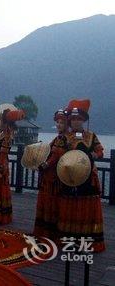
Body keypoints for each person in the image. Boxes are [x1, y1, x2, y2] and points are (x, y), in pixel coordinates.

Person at [58, 99, 105, 252]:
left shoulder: (91, 136)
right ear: (70, 121)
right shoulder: (65, 137)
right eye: (73, 119)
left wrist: (95, 155)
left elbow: (100, 151)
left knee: (86, 207)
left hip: (88, 176)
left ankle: (87, 242)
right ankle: (71, 241)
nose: (76, 122)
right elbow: (60, 155)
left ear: (84, 120)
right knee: (71, 206)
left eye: (79, 119)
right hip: (70, 176)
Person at [33, 109, 69, 240]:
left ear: (67, 124)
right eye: (58, 122)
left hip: (54, 177)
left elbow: (57, 155)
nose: (59, 124)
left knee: (51, 203)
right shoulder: (58, 138)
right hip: (50, 176)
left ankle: (49, 233)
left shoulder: (63, 139)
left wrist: (45, 164)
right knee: (47, 202)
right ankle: (45, 232)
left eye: (62, 122)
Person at [0, 107, 25, 224]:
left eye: (1, 121)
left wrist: (0, 165)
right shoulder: (2, 133)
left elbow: (4, 153)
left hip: (0, 163)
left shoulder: (7, 135)